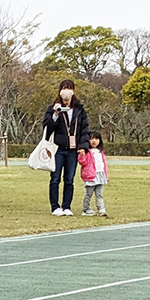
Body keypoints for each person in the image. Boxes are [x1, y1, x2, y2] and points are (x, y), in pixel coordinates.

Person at [42, 79, 89, 215]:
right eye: (64, 88)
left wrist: (83, 147)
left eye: (69, 88)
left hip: (73, 150)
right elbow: (47, 127)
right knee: (55, 178)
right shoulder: (52, 108)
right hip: (57, 149)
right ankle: (55, 207)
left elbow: (84, 129)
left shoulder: (79, 110)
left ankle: (66, 206)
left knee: (69, 179)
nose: (66, 91)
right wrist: (56, 114)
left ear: (73, 91)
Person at [80, 131, 110, 216]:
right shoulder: (87, 152)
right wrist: (82, 155)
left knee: (99, 194)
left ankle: (101, 209)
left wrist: (106, 175)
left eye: (96, 139)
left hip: (100, 175)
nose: (94, 141)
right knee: (88, 194)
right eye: (91, 139)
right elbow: (82, 162)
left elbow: (104, 164)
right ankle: (86, 209)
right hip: (91, 176)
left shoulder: (100, 152)